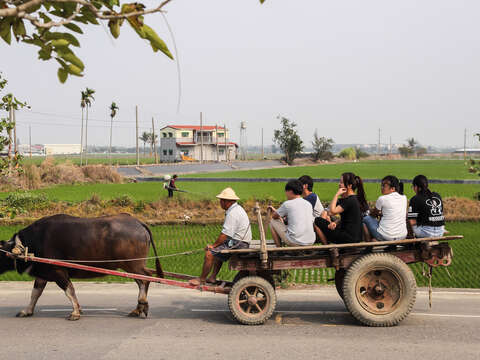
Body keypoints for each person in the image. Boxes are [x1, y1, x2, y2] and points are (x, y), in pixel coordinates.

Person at [189, 187, 251, 286]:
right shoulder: (236, 209)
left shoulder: (233, 213)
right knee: (218, 252)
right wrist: (216, 246)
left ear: (227, 202)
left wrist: (213, 246)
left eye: (221, 200)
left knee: (209, 253)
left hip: (238, 243)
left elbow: (225, 235)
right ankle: (213, 277)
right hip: (239, 241)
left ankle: (201, 279)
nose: (220, 202)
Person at [315, 173, 367, 244]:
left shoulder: (349, 200)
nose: (339, 184)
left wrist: (337, 195)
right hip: (356, 237)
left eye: (342, 182)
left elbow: (331, 212)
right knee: (328, 224)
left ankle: (328, 248)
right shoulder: (356, 198)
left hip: (347, 238)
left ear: (349, 186)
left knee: (317, 221)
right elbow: (349, 218)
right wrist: (335, 223)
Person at [267, 180, 315, 247]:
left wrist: (275, 212)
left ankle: (278, 248)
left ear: (290, 191)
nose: (285, 194)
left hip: (295, 241)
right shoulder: (308, 204)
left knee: (272, 221)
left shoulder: (287, 204)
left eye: (286, 192)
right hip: (311, 241)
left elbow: (274, 217)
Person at [363, 175, 407, 241]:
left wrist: (371, 212)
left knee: (366, 218)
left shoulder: (382, 198)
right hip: (402, 235)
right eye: (381, 185)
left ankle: (369, 245)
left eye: (384, 186)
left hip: (385, 236)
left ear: (393, 188)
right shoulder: (404, 197)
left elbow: (373, 215)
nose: (381, 187)